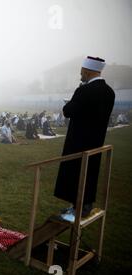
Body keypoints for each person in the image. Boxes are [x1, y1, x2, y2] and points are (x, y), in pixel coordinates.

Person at [54, 56, 115, 219]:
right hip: (96, 141)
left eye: (81, 72)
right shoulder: (109, 92)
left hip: (78, 141)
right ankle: (84, 205)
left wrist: (72, 99)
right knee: (90, 173)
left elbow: (68, 111)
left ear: (87, 72)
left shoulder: (84, 90)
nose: (80, 74)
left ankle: (77, 208)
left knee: (75, 174)